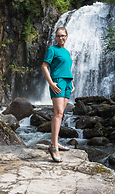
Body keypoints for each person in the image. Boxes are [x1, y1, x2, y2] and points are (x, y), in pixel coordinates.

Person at [41, 27, 75, 162]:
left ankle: (54, 142)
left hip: (67, 83)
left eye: (63, 35)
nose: (61, 38)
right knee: (58, 113)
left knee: (61, 115)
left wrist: (72, 83)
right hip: (58, 82)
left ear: (67, 36)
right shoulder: (52, 50)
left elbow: (67, 68)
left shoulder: (67, 52)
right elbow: (44, 66)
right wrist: (51, 83)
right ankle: (54, 147)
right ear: (56, 37)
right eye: (58, 36)